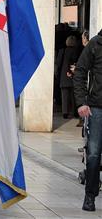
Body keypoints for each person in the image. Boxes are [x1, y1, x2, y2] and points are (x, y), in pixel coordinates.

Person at [74, 28, 102, 212]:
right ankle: (90, 196)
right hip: (97, 107)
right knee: (93, 154)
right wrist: (82, 102)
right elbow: (80, 72)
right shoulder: (95, 44)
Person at [55, 35, 81, 119]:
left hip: (63, 75)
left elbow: (58, 64)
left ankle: (65, 112)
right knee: (74, 95)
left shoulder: (62, 51)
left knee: (64, 95)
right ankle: (75, 112)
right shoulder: (77, 52)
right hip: (74, 74)